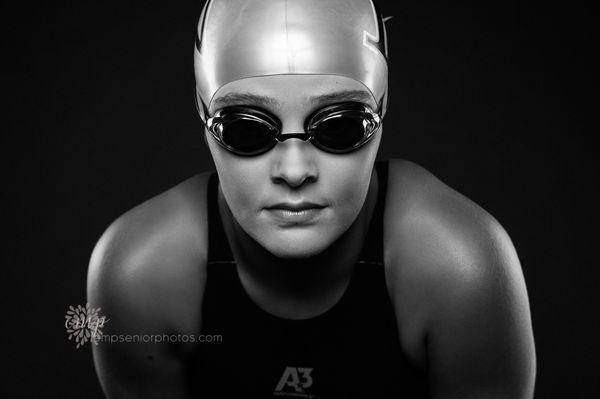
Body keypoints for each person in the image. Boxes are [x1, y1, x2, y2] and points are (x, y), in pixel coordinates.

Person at [87, 0, 536, 397]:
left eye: (340, 126)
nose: (295, 170)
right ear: (204, 118)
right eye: (246, 128)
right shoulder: (142, 270)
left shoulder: (457, 264)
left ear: (381, 112)